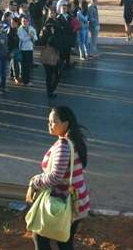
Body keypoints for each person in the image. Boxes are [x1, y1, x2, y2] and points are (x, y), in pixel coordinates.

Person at [28, 106, 90, 250]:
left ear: (66, 124)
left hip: (63, 202)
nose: (50, 124)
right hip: (76, 200)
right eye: (49, 121)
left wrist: (34, 183)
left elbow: (55, 176)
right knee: (64, 241)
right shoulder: (74, 141)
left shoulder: (63, 145)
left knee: (40, 236)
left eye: (54, 121)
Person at [18, 16, 38, 86]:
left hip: (30, 49)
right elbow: (22, 39)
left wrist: (32, 36)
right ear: (21, 22)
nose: (25, 22)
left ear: (29, 22)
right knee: (24, 66)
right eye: (23, 21)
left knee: (29, 65)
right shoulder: (20, 29)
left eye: (26, 21)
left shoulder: (31, 28)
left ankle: (27, 80)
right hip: (23, 49)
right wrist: (29, 36)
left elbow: (36, 38)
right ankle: (25, 81)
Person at [7, 17, 22, 84]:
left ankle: (12, 75)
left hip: (17, 47)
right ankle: (16, 77)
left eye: (14, 23)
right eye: (12, 23)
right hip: (12, 49)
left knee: (14, 62)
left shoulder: (18, 29)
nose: (13, 24)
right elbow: (8, 42)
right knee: (15, 62)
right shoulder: (10, 30)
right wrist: (10, 51)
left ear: (17, 23)